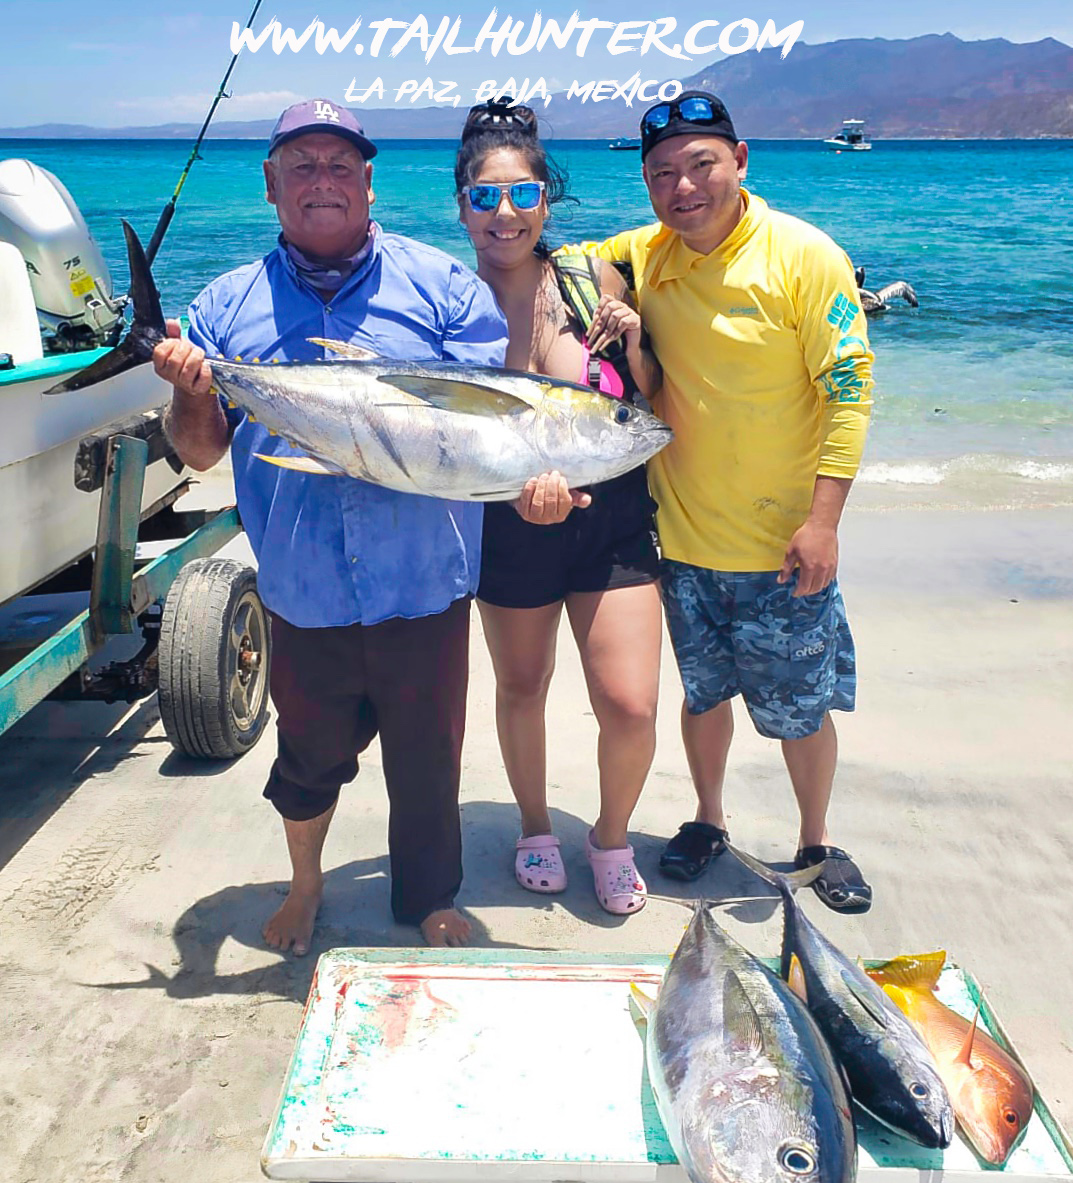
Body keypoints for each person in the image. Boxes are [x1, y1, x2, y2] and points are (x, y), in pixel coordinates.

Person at [151, 98, 517, 953]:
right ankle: (306, 883)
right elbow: (199, 452)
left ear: (368, 181)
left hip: (421, 578)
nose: (324, 181)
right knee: (307, 757)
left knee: (428, 758)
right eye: (303, 166)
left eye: (340, 165)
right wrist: (190, 389)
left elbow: (480, 428)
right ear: (270, 184)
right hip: (303, 586)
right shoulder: (223, 305)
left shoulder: (443, 287)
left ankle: (430, 896)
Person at [576, 91, 876, 912]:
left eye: (700, 165)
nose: (682, 188)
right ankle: (707, 819)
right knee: (703, 696)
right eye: (660, 174)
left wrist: (822, 524)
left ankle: (815, 841)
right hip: (682, 541)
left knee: (798, 710)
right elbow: (572, 254)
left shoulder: (803, 256)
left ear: (740, 161)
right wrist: (615, 296)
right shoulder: (650, 250)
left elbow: (849, 392)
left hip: (784, 547)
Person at [455, 102, 664, 915]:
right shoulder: (450, 302)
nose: (503, 213)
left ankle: (609, 836)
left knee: (630, 704)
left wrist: (635, 338)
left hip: (610, 518)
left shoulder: (592, 279)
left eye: (522, 194)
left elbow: (652, 399)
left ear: (546, 199)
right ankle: (534, 825)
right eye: (484, 196)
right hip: (507, 522)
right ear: (462, 205)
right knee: (522, 684)